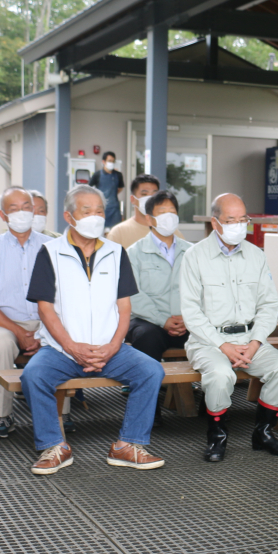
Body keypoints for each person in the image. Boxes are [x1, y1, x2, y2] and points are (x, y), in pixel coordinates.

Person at [20, 185, 167, 475]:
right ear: (69, 216)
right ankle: (55, 446)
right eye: (86, 211)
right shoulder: (49, 253)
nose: (95, 217)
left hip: (110, 349)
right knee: (33, 375)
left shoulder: (116, 252)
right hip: (62, 350)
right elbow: (45, 309)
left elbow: (125, 307)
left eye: (99, 211)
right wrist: (72, 347)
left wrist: (114, 346)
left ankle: (127, 445)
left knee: (151, 371)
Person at [180, 193, 278, 463]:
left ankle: (263, 432)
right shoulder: (194, 257)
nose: (238, 225)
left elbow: (268, 305)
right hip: (208, 341)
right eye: (231, 220)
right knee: (221, 375)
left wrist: (256, 342)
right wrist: (224, 346)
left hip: (251, 339)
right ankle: (217, 436)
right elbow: (191, 312)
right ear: (215, 222)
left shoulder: (256, 255)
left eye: (243, 219)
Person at [0, 186, 62, 439]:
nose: (22, 213)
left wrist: (45, 330)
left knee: (61, 341)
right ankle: (3, 414)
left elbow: (64, 296)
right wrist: (19, 332)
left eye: (27, 207)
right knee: (0, 344)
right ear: (2, 215)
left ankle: (62, 413)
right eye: (14, 209)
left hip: (47, 319)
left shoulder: (53, 247)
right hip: (4, 323)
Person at [126, 190, 193, 362]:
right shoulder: (134, 252)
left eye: (172, 212)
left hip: (186, 322)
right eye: (162, 213)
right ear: (149, 219)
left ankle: (186, 385)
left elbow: (203, 289)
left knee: (208, 332)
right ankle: (147, 383)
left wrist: (188, 319)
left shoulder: (192, 252)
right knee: (146, 336)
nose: (168, 217)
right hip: (148, 322)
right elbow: (132, 294)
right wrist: (162, 320)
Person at [106, 174, 163, 247]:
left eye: (154, 195)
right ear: (133, 199)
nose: (150, 199)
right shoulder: (118, 233)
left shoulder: (168, 231)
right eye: (144, 194)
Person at [96, 151, 126, 229]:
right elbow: (90, 188)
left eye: (113, 161)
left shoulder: (118, 175)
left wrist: (112, 193)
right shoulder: (97, 175)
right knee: (100, 230)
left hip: (114, 208)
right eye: (109, 161)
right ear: (103, 162)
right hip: (101, 208)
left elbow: (120, 188)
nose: (111, 163)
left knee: (116, 230)